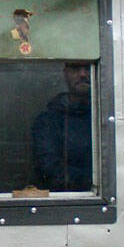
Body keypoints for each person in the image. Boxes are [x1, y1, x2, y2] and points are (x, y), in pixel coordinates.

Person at [31, 60, 94, 191]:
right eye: (75, 68)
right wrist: (94, 179)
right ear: (65, 74)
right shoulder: (47, 122)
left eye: (88, 68)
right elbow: (49, 169)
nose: (83, 74)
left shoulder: (106, 118)